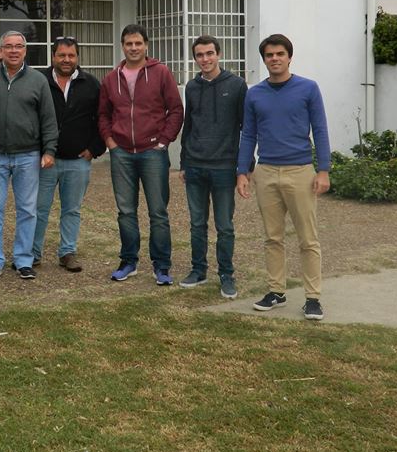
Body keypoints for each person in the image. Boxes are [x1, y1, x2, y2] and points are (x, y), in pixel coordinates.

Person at [237, 34, 330, 320]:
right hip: (266, 172)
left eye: (280, 54)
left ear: (289, 57)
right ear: (264, 59)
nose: (275, 59)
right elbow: (248, 134)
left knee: (308, 239)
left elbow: (320, 129)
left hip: (300, 171)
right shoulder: (255, 94)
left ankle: (312, 298)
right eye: (269, 55)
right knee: (272, 237)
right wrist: (242, 171)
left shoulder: (308, 88)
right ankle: (276, 291)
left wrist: (323, 170)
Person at [99, 24, 183, 285]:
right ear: (122, 46)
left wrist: (164, 141)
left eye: (138, 43)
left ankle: (162, 266)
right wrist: (110, 142)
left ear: (146, 45)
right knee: (126, 211)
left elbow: (176, 110)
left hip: (152, 152)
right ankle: (128, 262)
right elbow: (103, 114)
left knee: (158, 212)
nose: (133, 48)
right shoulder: (111, 78)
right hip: (121, 153)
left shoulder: (161, 72)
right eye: (129, 43)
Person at [0, 30, 58, 281]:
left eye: (18, 46)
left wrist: (49, 150)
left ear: (25, 50)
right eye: (8, 46)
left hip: (28, 155)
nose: (13, 50)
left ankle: (23, 260)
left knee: (27, 210)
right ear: (0, 50)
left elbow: (48, 118)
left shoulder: (38, 80)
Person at [178, 35, 247, 299]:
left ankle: (226, 275)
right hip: (195, 165)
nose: (205, 59)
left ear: (219, 54)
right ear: (195, 58)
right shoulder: (191, 87)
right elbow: (189, 125)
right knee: (197, 223)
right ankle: (198, 270)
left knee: (224, 226)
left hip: (224, 167)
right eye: (199, 55)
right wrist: (184, 162)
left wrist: (244, 167)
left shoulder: (237, 85)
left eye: (209, 53)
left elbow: (246, 127)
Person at [31, 37, 105, 273]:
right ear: (53, 56)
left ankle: (67, 252)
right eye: (61, 55)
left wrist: (94, 149)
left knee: (72, 210)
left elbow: (103, 118)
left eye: (71, 55)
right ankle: (32, 254)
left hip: (78, 161)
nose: (66, 60)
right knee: (38, 209)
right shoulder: (38, 80)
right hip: (45, 160)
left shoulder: (91, 84)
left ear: (77, 57)